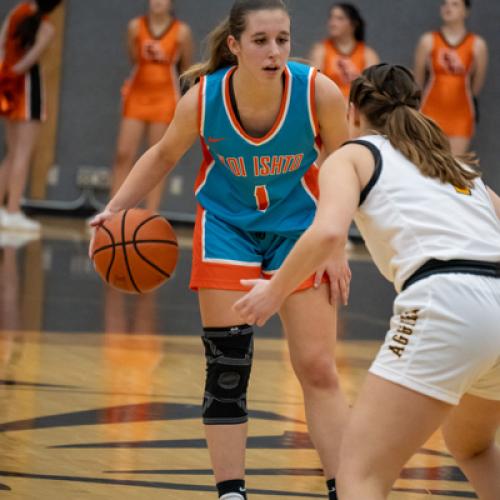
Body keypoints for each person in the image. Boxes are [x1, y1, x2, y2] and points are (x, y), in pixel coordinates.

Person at [90, 1, 352, 498]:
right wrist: (113, 211)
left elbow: (346, 161)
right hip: (228, 226)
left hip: (301, 227)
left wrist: (336, 241)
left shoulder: (318, 90)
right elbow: (164, 153)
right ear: (234, 45)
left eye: (283, 39)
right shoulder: (205, 97)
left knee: (317, 367)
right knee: (228, 368)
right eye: (260, 41)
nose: (274, 51)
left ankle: (345, 489)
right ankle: (231, 492)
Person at [234, 63, 500, 500]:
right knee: (472, 448)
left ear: (353, 112)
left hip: (446, 300)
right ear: (417, 108)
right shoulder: (459, 169)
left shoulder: (353, 154)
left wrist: (273, 290)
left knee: (357, 474)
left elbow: (328, 232)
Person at [110, 0, 193, 212]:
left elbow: (185, 69)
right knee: (123, 153)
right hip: (137, 94)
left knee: (158, 157)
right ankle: (112, 213)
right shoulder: (135, 27)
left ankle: (150, 214)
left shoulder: (181, 32)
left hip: (164, 98)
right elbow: (133, 58)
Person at [0, 0, 63, 232]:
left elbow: (2, 46)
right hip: (27, 88)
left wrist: (4, 75)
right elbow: (29, 61)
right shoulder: (47, 28)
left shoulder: (17, 10)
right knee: (23, 153)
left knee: (12, 152)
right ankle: (13, 210)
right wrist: (14, 73)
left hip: (6, 86)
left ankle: (4, 209)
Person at [414, 0, 488, 156]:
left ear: (465, 11)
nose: (448, 8)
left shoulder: (477, 44)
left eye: (455, 4)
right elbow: (418, 79)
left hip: (461, 112)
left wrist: (468, 97)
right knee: (427, 164)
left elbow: (478, 82)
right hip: (431, 109)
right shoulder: (428, 40)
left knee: (456, 165)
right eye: (445, 4)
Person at [309, 3, 379, 100]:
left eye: (340, 19)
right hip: (329, 105)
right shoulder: (320, 51)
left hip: (357, 106)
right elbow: (313, 83)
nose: (332, 23)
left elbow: (373, 89)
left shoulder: (368, 54)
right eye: (331, 18)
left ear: (353, 24)